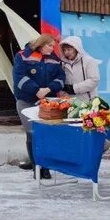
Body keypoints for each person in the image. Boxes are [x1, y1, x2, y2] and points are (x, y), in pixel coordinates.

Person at [12, 33, 66, 179]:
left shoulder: (54, 59)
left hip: (46, 102)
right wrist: (36, 90)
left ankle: (46, 168)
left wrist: (48, 89)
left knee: (46, 134)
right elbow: (19, 77)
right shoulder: (22, 56)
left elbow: (61, 78)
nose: (52, 49)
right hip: (26, 100)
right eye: (49, 46)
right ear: (41, 45)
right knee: (32, 133)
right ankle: (36, 167)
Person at [59, 36, 100, 101]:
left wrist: (74, 88)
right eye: (64, 50)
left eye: (69, 49)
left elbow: (94, 80)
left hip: (88, 103)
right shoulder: (63, 64)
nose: (66, 52)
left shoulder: (89, 61)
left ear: (76, 49)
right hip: (69, 103)